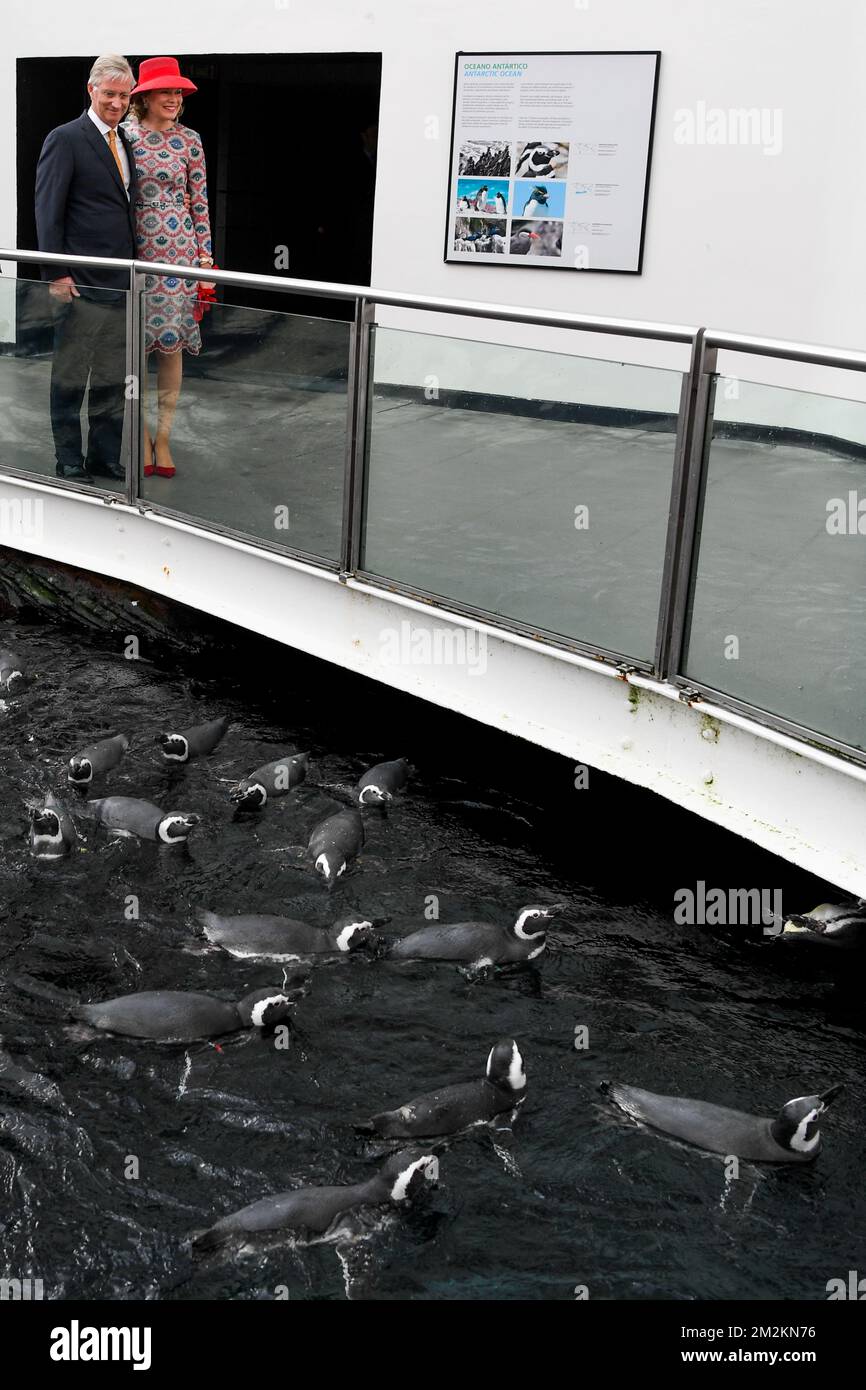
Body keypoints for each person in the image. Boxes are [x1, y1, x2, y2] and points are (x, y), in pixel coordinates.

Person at [35, 53, 137, 481]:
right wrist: (56, 274)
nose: (116, 102)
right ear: (91, 90)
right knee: (72, 377)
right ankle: (70, 460)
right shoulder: (66, 138)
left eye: (124, 95)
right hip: (79, 285)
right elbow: (48, 209)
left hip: (120, 283)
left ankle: (103, 457)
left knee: (113, 379)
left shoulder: (125, 140)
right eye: (109, 94)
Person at [123, 57, 214, 478]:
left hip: (179, 252)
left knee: (171, 347)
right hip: (136, 248)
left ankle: (163, 438)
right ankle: (139, 436)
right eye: (166, 91)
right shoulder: (124, 137)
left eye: (178, 92)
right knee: (136, 350)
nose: (174, 98)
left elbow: (200, 203)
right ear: (145, 96)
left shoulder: (191, 140)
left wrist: (206, 260)